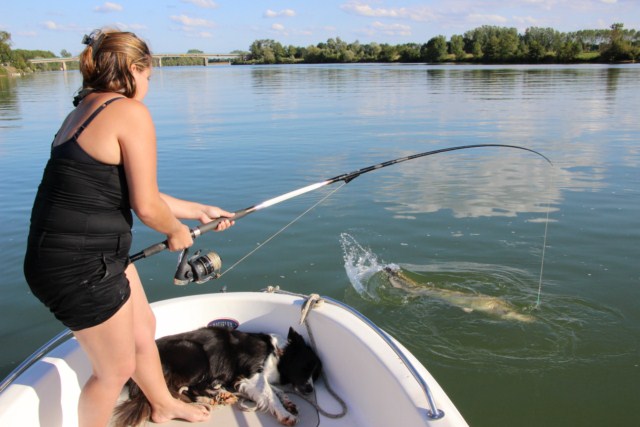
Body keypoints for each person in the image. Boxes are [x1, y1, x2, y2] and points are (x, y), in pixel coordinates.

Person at [23, 28, 234, 426]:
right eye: (149, 77)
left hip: (85, 254)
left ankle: (164, 403)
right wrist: (175, 231)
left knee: (144, 329)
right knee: (114, 370)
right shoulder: (129, 111)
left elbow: (129, 190)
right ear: (135, 69)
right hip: (80, 266)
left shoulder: (83, 110)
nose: (148, 87)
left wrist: (198, 210)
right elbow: (147, 207)